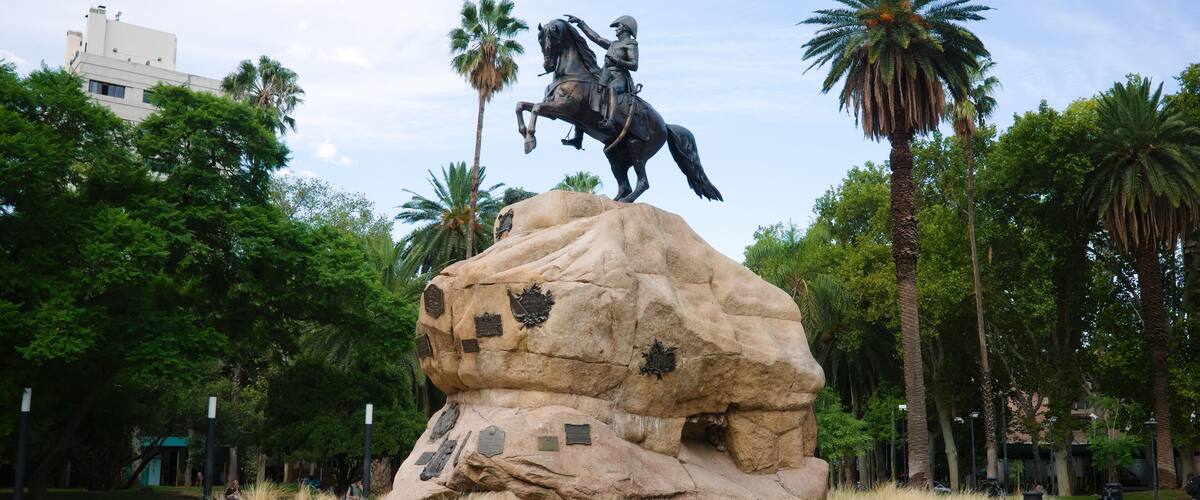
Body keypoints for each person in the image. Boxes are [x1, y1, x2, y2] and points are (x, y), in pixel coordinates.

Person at [564, 14, 639, 130]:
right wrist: (581, 23)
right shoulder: (613, 44)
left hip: (619, 77)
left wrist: (617, 60)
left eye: (618, 26)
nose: (616, 29)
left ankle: (610, 121)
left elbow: (634, 66)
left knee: (611, 89)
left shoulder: (630, 44)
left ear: (624, 28)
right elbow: (597, 38)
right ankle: (578, 136)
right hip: (605, 74)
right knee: (584, 94)